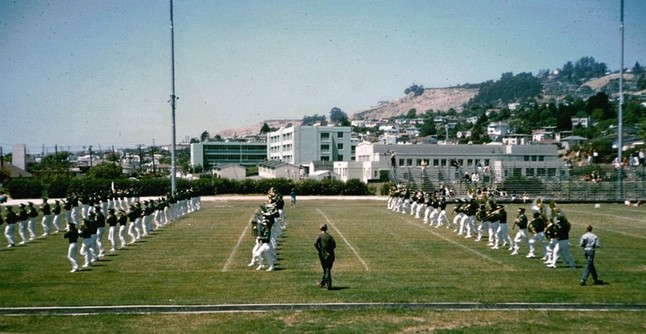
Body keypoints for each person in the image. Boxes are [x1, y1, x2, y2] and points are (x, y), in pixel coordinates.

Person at [314, 223, 336, 290]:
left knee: (326, 270)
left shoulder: (319, 236)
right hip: (331, 255)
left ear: (320, 229)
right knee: (327, 269)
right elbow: (334, 245)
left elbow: (315, 243)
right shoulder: (330, 237)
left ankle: (329, 285)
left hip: (323, 255)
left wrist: (319, 249)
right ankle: (322, 282)